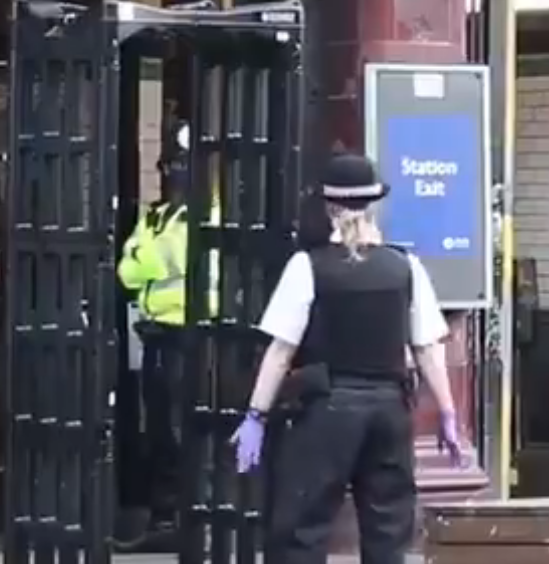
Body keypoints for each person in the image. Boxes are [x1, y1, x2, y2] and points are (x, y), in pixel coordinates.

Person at [231, 151, 464, 564]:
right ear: (373, 204)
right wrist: (447, 412)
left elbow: (281, 351)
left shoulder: (307, 266)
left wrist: (256, 415)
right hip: (389, 411)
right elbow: (427, 347)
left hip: (327, 411)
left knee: (303, 528)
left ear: (328, 206)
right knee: (389, 530)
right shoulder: (405, 266)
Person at [116, 122, 218, 529]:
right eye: (166, 166)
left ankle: (189, 514)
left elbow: (164, 260)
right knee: (158, 429)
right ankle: (164, 514)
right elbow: (128, 271)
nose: (168, 174)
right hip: (157, 333)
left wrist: (143, 254)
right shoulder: (158, 216)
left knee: (183, 431)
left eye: (176, 165)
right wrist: (144, 255)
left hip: (192, 336)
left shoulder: (205, 215)